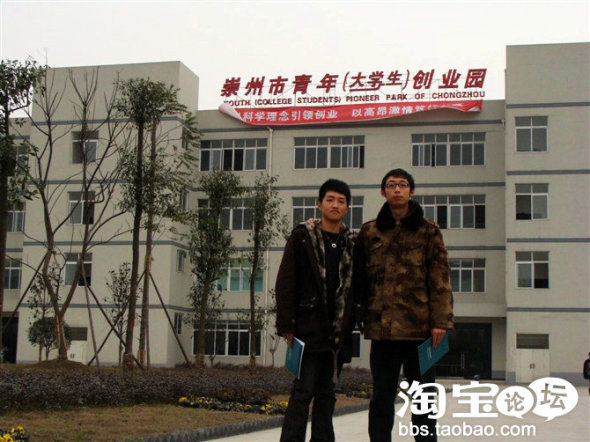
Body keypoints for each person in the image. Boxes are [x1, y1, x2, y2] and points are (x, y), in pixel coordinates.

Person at [353, 168, 454, 442]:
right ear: (382, 192)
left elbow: (440, 278)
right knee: (381, 399)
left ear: (412, 191)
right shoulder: (369, 232)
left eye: (402, 184)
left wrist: (440, 322)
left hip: (420, 332)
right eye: (391, 185)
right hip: (383, 331)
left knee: (424, 400)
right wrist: (360, 317)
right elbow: (358, 280)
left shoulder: (428, 231)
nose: (397, 189)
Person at [276, 178, 356, 442]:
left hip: (336, 333)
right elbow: (286, 281)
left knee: (327, 395)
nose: (335, 205)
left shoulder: (352, 243)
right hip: (307, 329)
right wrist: (286, 325)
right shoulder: (303, 237)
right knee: (302, 392)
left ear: (347, 208)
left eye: (341, 201)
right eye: (330, 200)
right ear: (319, 204)